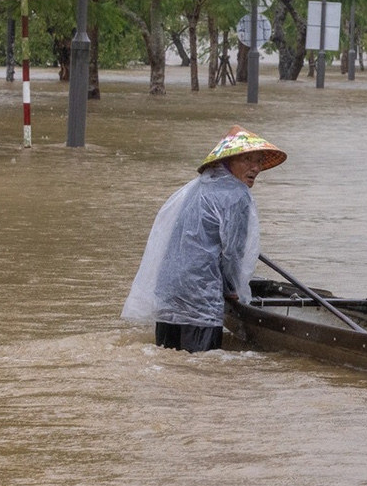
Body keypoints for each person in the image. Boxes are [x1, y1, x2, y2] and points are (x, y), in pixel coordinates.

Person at [122, 126, 286, 352]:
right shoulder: (237, 195)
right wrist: (231, 289)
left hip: (169, 292)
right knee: (202, 369)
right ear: (229, 161)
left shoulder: (198, 187)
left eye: (258, 161)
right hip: (199, 298)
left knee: (166, 363)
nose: (256, 168)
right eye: (248, 159)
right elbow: (232, 253)